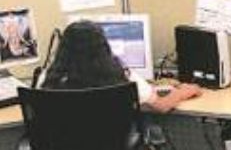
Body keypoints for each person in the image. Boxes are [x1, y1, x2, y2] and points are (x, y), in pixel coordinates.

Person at [41, 21, 202, 113]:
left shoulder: (49, 79)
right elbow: (162, 106)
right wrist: (184, 92)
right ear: (104, 47)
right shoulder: (122, 77)